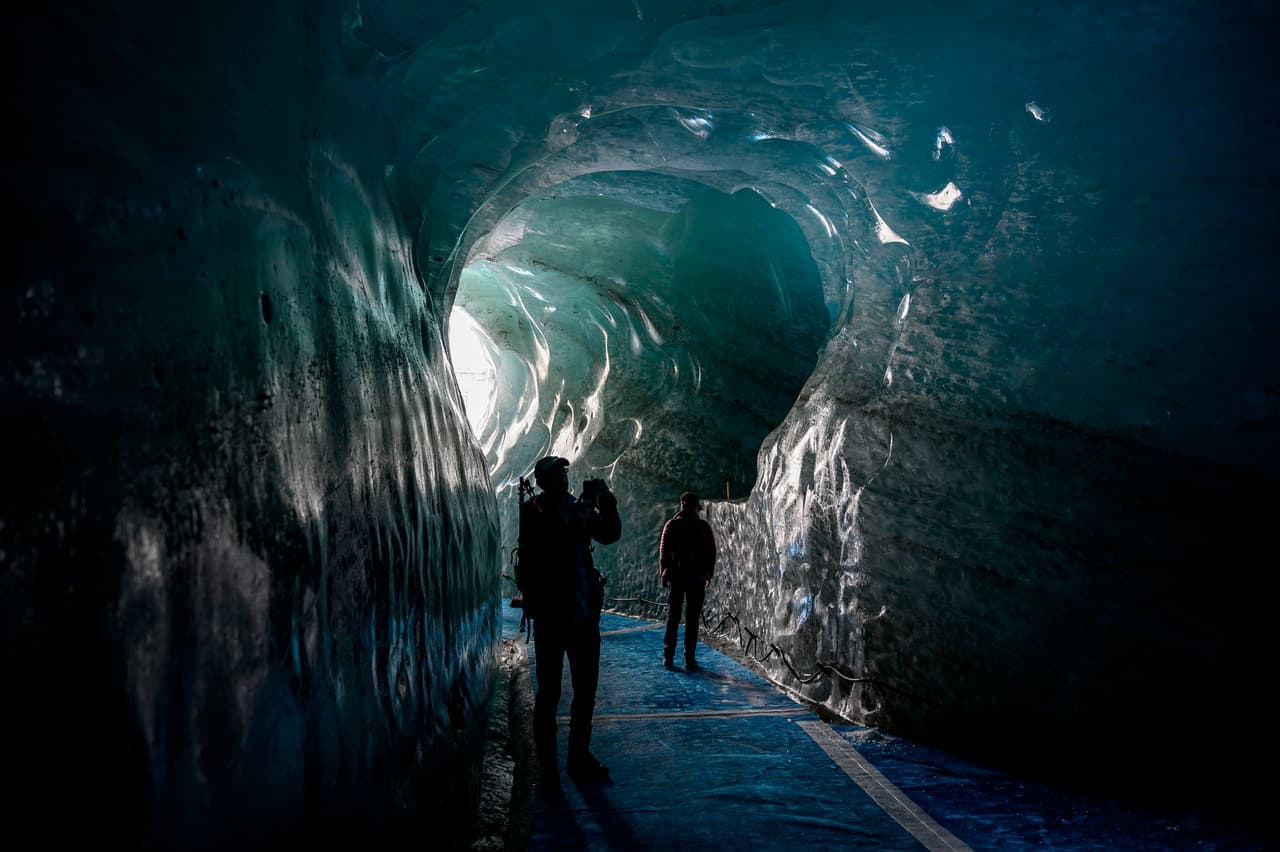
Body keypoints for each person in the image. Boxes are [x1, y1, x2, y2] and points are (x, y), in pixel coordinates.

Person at [518, 455, 621, 788]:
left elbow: (609, 533)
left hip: (581, 616)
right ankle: (549, 767)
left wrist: (604, 499)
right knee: (550, 694)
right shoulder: (534, 512)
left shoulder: (574, 509)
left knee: (583, 691)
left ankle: (577, 758)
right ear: (545, 480)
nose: (565, 477)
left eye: (564, 472)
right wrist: (581, 511)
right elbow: (551, 543)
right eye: (558, 474)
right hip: (554, 617)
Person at [659, 491, 716, 671]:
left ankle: (668, 656)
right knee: (692, 619)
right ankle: (689, 659)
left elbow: (664, 552)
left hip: (676, 576)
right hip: (697, 577)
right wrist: (708, 575)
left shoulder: (671, 525)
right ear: (696, 507)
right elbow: (711, 554)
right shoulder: (703, 526)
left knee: (673, 617)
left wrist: (664, 573)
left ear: (681, 505)